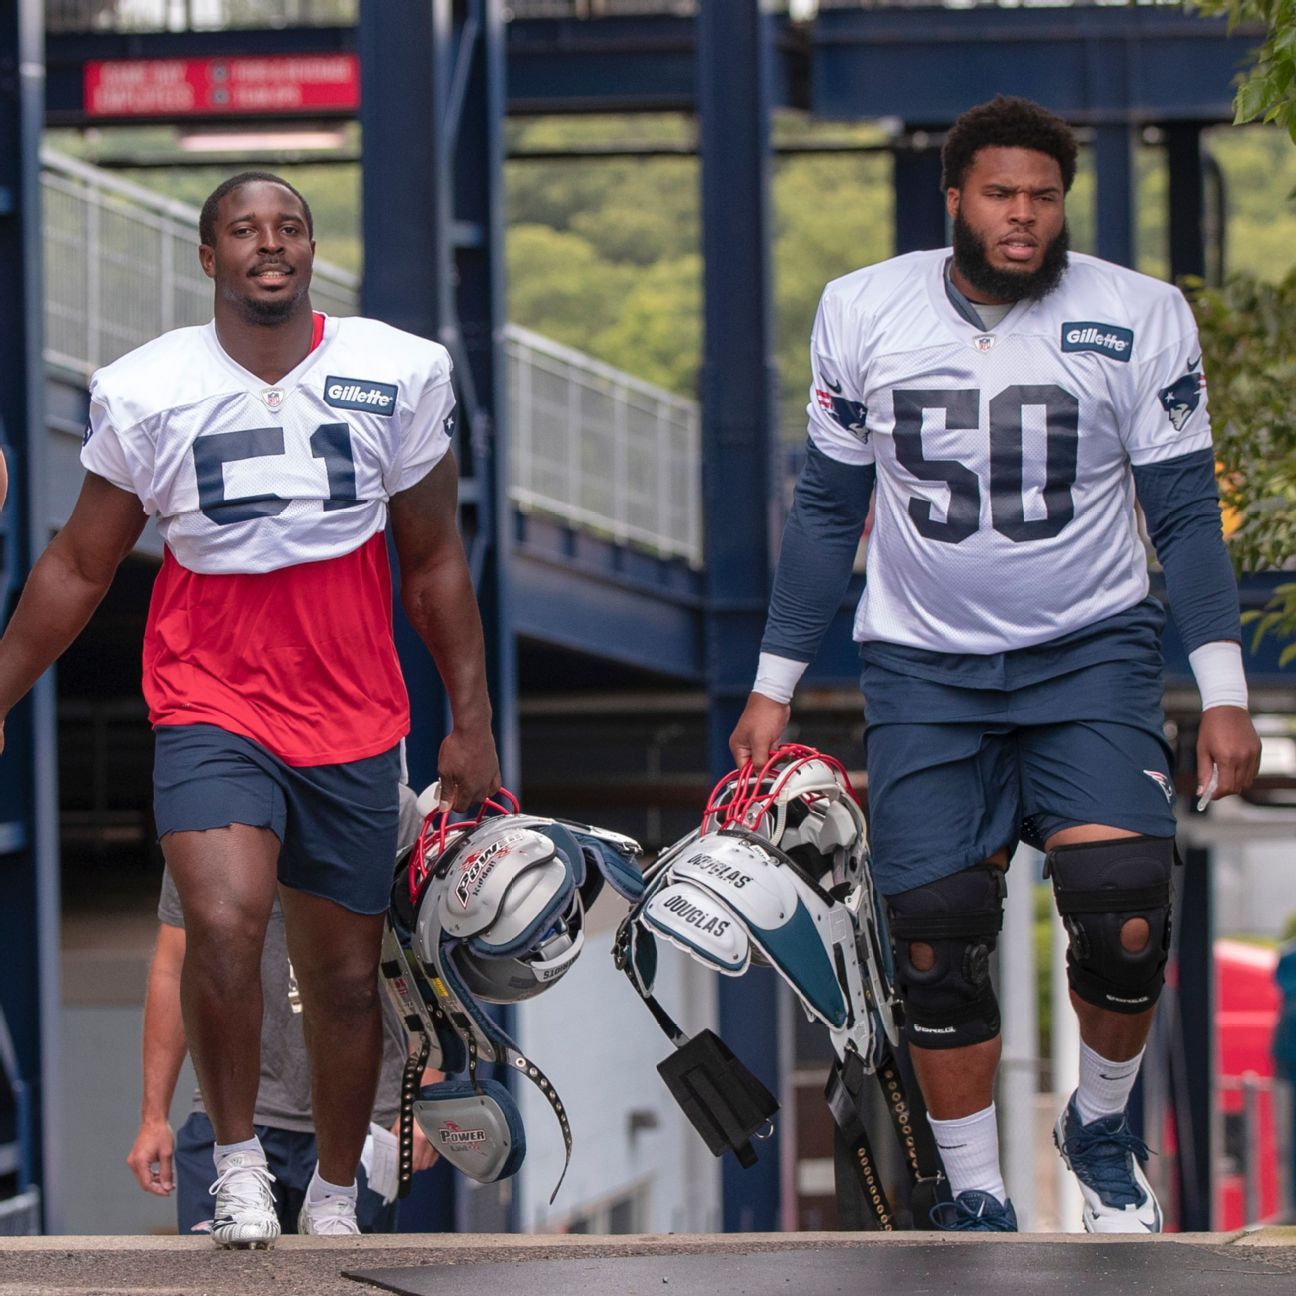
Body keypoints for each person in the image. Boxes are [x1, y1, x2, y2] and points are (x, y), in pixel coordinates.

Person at [730, 97, 1261, 1233]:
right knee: (934, 939)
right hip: (925, 666)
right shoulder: (863, 309)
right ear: (957, 199)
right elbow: (829, 510)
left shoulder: (1139, 312)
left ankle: (1103, 1129)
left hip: (1090, 653)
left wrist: (1225, 692)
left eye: (1044, 198)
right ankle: (977, 1191)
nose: (1024, 219)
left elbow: (1184, 516)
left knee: (1124, 913)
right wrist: (773, 684)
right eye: (1002, 196)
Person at [0, 171, 500, 1247]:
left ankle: (328, 1191)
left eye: (289, 228)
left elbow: (436, 561)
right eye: (244, 229)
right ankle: (233, 1167)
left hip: (353, 703)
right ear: (208, 257)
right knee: (222, 925)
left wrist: (471, 718)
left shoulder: (395, 370)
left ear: (311, 249)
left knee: (341, 976)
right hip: (209, 694)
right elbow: (80, 564)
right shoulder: (148, 387)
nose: (269, 245)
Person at [127, 787, 440, 1235]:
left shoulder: (388, 802)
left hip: (362, 1117)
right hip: (233, 1112)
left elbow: (431, 954)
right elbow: (174, 964)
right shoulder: (209, 805)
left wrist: (427, 1091)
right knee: (217, 1277)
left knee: (342, 1282)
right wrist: (153, 1116)